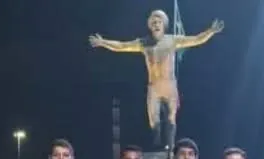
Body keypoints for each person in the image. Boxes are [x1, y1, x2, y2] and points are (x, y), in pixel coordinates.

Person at [89, 11, 223, 149]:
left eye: (159, 22)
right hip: (154, 86)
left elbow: (196, 39)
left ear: (164, 25)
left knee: (171, 119)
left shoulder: (172, 40)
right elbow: (122, 46)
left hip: (169, 85)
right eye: (153, 23)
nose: (156, 25)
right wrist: (103, 42)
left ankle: (170, 150)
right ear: (150, 26)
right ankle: (157, 145)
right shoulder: (144, 43)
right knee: (154, 121)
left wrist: (210, 31)